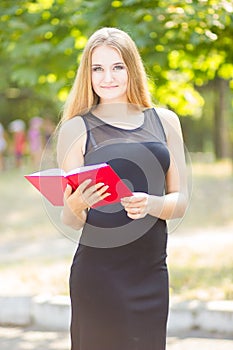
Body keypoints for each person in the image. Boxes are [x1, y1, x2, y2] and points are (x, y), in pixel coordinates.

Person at [57, 27, 188, 350]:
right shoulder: (76, 128)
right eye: (97, 68)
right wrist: (76, 206)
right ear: (87, 74)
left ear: (132, 68)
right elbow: (70, 220)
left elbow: (180, 201)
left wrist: (151, 204)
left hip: (150, 272)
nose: (107, 78)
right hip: (98, 275)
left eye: (117, 67)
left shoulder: (166, 121)